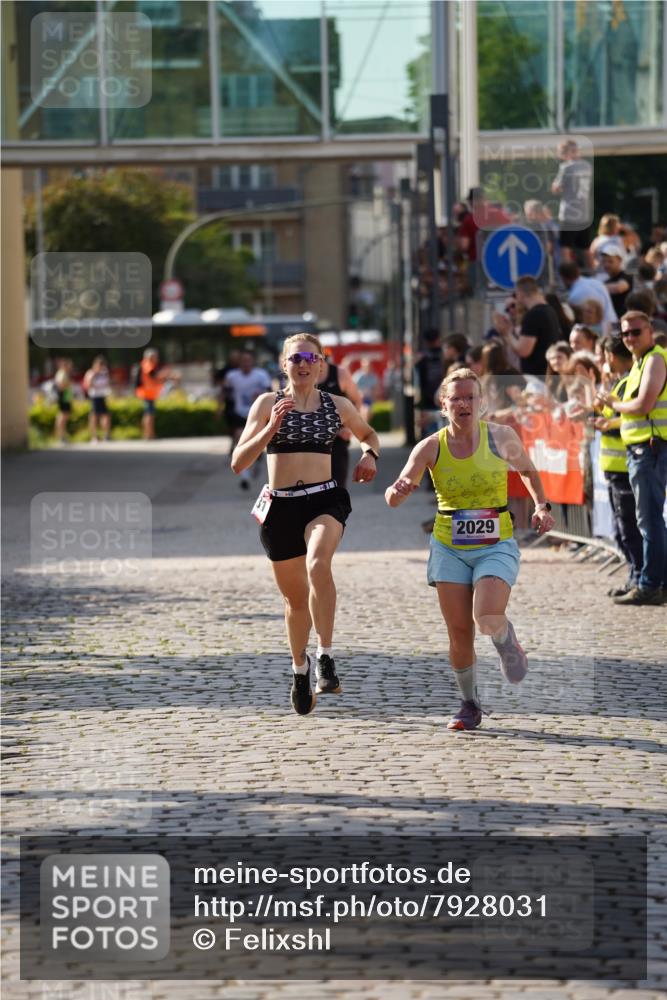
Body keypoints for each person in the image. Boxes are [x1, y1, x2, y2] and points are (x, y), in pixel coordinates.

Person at [385, 367, 555, 732]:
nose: (464, 403)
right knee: (459, 632)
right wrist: (396, 492)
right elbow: (396, 493)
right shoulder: (431, 446)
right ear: (443, 405)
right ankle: (469, 703)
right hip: (449, 546)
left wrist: (541, 505)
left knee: (487, 616)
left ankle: (506, 639)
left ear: (482, 403)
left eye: (470, 397)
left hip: (495, 542)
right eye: (456, 398)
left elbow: (527, 470)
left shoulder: (501, 437)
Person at [231, 333, 381, 715]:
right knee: (295, 602)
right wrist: (269, 430)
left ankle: (326, 656)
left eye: (309, 358)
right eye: (295, 357)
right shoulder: (267, 403)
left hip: (324, 499)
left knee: (318, 563)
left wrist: (370, 455)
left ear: (320, 365)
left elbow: (368, 434)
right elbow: (238, 462)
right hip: (280, 507)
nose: (302, 364)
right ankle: (300, 671)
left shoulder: (337, 405)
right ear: (284, 365)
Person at [595, 311, 667, 605]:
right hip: (640, 449)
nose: (630, 338)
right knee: (646, 520)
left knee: (648, 521)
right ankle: (650, 580)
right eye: (625, 334)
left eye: (636, 332)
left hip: (650, 449)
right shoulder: (640, 362)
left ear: (650, 331)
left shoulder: (655, 359)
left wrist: (614, 402)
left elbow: (644, 403)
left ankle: (651, 584)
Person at [591, 336, 643, 597]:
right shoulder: (621, 382)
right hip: (615, 468)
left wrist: (605, 422)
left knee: (629, 529)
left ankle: (640, 579)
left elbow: (628, 419)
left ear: (610, 356)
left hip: (624, 467)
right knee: (622, 531)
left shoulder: (629, 381)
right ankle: (635, 577)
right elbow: (612, 416)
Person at [225, 350, 272, 490]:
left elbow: (270, 392)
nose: (246, 363)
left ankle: (258, 460)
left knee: (258, 444)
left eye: (248, 360)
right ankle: (244, 478)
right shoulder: (232, 376)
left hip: (258, 413)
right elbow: (226, 393)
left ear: (252, 362)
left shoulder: (261, 375)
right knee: (241, 441)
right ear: (239, 363)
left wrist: (260, 395)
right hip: (240, 413)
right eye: (243, 361)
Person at [317, 354, 363, 487]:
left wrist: (349, 427)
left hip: (337, 438)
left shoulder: (340, 373)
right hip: (311, 439)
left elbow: (356, 400)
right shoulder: (303, 375)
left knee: (337, 484)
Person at [504, 276, 561, 378]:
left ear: (520, 293)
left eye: (516, 294)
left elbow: (523, 350)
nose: (516, 299)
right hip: (548, 375)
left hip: (536, 377)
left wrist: (507, 333)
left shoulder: (533, 315)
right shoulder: (550, 310)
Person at [550, 139, 593, 267]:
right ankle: (594, 275)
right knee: (586, 249)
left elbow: (556, 188)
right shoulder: (587, 166)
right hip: (584, 214)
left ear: (567, 152)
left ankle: (566, 278)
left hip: (569, 214)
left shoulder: (566, 167)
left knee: (565, 249)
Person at [559, 261, 617, 334]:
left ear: (564, 278)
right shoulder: (596, 282)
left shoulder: (575, 296)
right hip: (613, 327)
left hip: (601, 333)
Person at [135, 348, 173, 441]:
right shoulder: (147, 364)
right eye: (155, 356)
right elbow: (153, 376)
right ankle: (148, 434)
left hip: (150, 393)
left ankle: (150, 434)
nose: (157, 358)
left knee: (150, 414)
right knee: (149, 414)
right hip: (147, 393)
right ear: (151, 357)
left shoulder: (150, 364)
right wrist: (165, 375)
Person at [415, 329, 446, 438]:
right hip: (444, 398)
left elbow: (417, 382)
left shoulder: (422, 358)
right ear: (438, 339)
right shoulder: (445, 355)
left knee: (431, 435)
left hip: (428, 401)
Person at [599, 242, 633, 318]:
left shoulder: (626, 277)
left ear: (620, 260)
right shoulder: (606, 281)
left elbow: (619, 288)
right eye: (604, 261)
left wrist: (597, 287)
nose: (606, 265)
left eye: (610, 261)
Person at [83, 355, 112, 442]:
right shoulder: (91, 373)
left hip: (102, 396)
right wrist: (94, 374)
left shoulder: (104, 373)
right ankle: (94, 436)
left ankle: (106, 435)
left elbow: (107, 383)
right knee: (94, 416)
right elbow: (87, 385)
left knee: (106, 416)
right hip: (94, 397)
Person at [53, 359, 74, 444]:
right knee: (62, 416)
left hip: (66, 397)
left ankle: (62, 436)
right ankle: (60, 437)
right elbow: (60, 386)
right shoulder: (61, 373)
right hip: (63, 397)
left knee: (64, 416)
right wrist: (68, 385)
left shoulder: (64, 373)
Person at [352, 357, 380, 422]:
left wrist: (374, 397)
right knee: (365, 412)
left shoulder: (373, 376)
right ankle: (364, 429)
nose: (368, 367)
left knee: (368, 414)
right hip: (360, 400)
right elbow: (352, 388)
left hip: (369, 400)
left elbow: (376, 389)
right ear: (362, 366)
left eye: (369, 366)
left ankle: (363, 427)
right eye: (366, 366)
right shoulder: (357, 376)